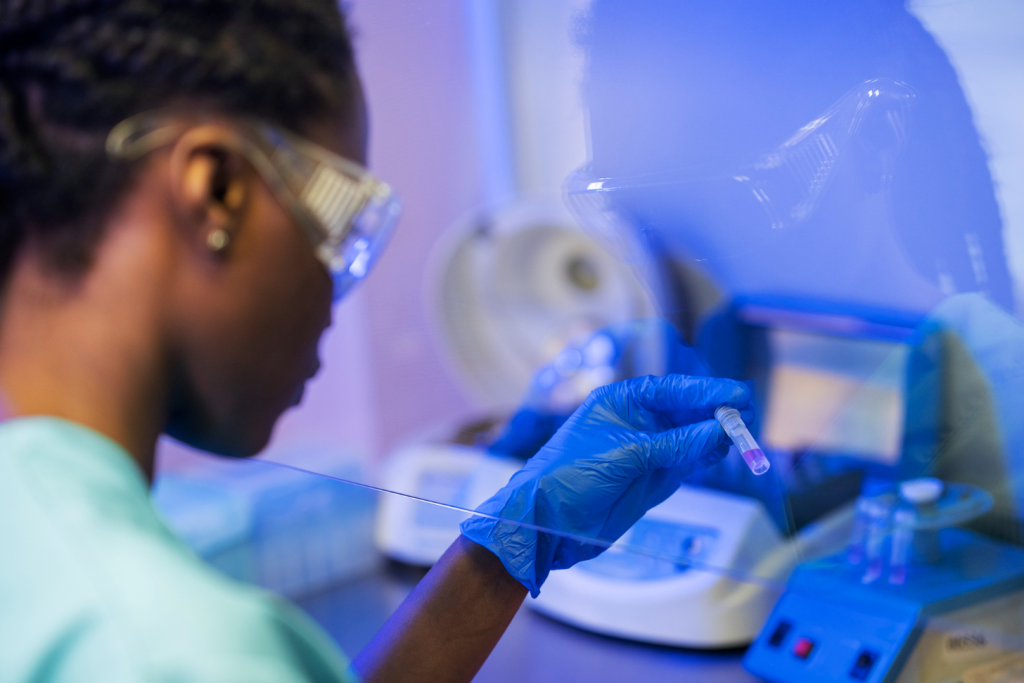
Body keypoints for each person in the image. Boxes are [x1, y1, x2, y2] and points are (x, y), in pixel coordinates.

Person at [0, 2, 751, 682]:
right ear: (217, 191)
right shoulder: (171, 649)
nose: (335, 295)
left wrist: (515, 538)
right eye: (339, 227)